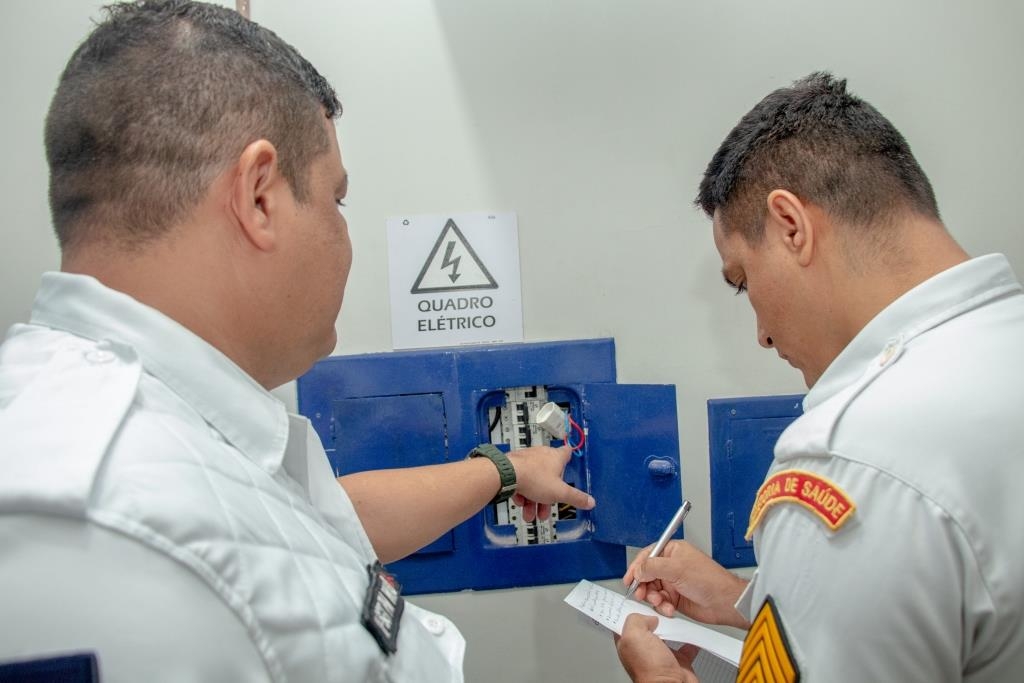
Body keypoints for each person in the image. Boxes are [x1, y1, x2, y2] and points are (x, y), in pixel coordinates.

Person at [0, 2, 594, 681]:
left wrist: (507, 469)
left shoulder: (149, 436)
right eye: (336, 199)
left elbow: (317, 524)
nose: (344, 235)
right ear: (258, 196)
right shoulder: (107, 532)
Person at [615, 72, 1024, 682]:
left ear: (791, 226)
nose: (762, 334)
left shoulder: (851, 463)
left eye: (743, 281)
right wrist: (751, 600)